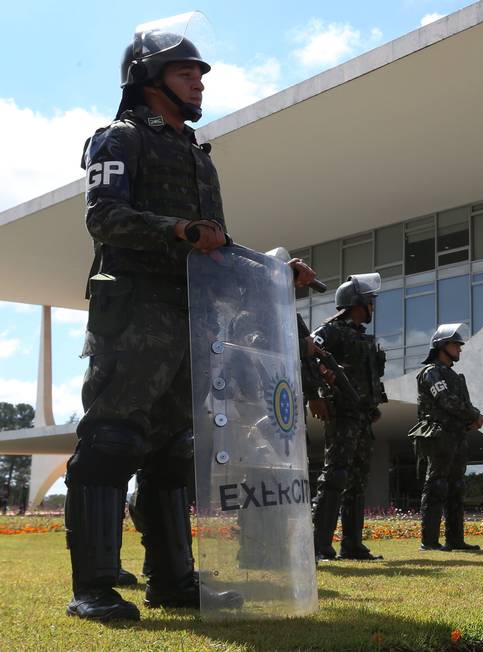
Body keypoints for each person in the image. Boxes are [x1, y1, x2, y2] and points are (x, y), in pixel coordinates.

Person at [65, 22, 315, 622]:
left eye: (201, 75)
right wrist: (176, 230)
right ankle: (95, 587)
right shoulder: (120, 139)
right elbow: (104, 217)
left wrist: (274, 271)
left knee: (174, 449)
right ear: (148, 80)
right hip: (135, 312)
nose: (199, 84)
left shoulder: (200, 160)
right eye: (186, 73)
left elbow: (216, 246)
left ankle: (173, 581)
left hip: (191, 316)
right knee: (112, 437)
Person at [309, 274, 387, 562]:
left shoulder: (363, 338)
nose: (373, 306)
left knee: (356, 480)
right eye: (370, 301)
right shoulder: (330, 331)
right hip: (341, 413)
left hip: (362, 417)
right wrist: (317, 391)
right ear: (356, 302)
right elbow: (310, 358)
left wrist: (376, 405)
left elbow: (372, 377)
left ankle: (352, 545)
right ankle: (319, 545)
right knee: (335, 476)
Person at [411, 323, 483, 551]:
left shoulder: (453, 375)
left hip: (457, 436)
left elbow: (461, 403)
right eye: (456, 344)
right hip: (439, 436)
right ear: (442, 346)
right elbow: (446, 400)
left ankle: (456, 540)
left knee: (456, 487)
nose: (460, 349)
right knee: (437, 486)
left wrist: (472, 419)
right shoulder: (430, 373)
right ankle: (429, 541)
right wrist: (474, 415)